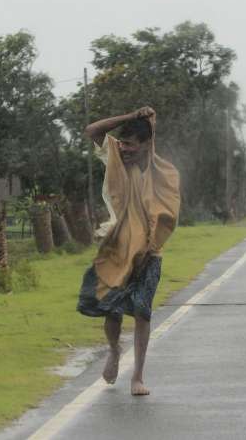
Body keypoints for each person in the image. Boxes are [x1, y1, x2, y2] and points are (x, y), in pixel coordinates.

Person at [77, 106, 181, 396]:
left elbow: (168, 215)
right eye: (122, 143)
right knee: (112, 311)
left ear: (147, 145)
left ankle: (137, 376)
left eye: (131, 144)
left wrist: (148, 245)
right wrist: (129, 118)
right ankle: (113, 350)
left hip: (149, 253)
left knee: (142, 312)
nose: (124, 149)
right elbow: (92, 131)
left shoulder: (165, 174)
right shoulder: (113, 156)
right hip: (116, 248)